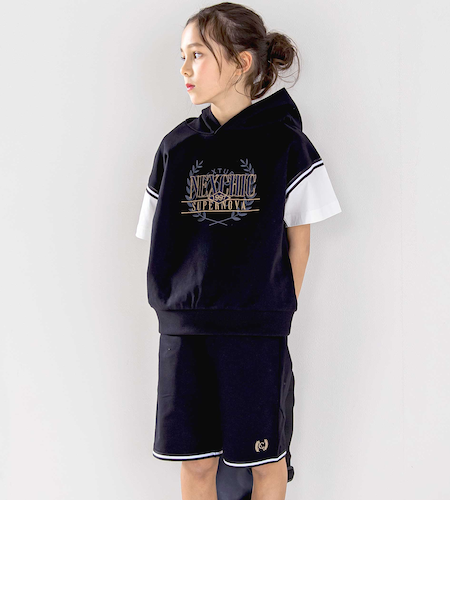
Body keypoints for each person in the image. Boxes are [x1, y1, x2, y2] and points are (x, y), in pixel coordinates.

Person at [136, 2, 342, 500]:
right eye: (182, 56)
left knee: (267, 461)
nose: (185, 69)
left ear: (241, 62)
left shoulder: (286, 144)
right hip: (184, 331)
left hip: (254, 332)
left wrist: (271, 310)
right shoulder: (176, 147)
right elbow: (159, 238)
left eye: (197, 55)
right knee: (196, 464)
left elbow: (299, 240)